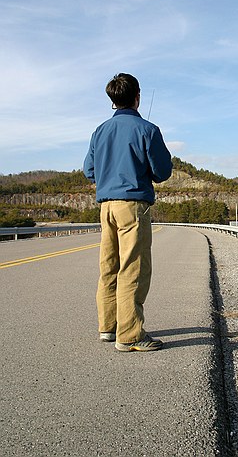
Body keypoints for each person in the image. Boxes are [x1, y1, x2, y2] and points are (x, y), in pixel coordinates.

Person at [83, 73, 172, 352]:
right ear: (137, 97)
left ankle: (108, 327)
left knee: (108, 267)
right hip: (132, 206)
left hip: (106, 206)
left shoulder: (99, 131)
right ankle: (130, 335)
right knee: (133, 268)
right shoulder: (147, 130)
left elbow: (89, 170)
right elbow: (162, 171)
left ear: (112, 100)